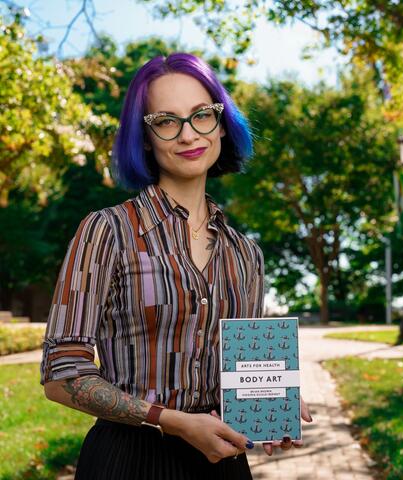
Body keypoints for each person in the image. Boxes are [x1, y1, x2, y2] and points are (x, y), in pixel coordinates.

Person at [40, 52, 312, 479]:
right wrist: (173, 420)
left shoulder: (246, 255)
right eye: (167, 121)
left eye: (201, 115)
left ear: (221, 124)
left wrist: (271, 403)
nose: (188, 135)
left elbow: (241, 374)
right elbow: (62, 375)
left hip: (222, 464)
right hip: (128, 462)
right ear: (145, 137)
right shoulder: (106, 231)